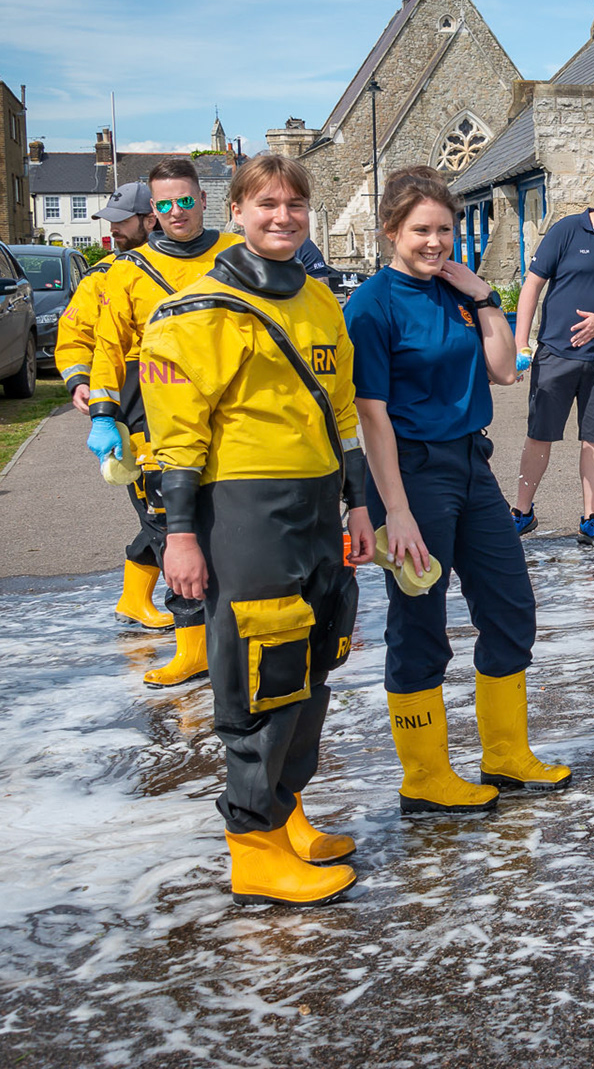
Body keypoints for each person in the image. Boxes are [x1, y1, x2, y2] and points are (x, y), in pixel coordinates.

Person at [140, 153, 370, 907]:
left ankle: (287, 814)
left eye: (295, 204)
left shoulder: (320, 300)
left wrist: (359, 503)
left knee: (313, 663)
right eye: (266, 203)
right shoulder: (193, 311)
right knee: (262, 670)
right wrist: (177, 535)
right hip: (242, 511)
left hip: (315, 509)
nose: (282, 216)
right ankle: (252, 845)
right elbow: (177, 439)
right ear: (235, 210)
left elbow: (342, 415)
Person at [346, 168, 568, 815]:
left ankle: (504, 754)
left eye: (444, 229)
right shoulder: (372, 305)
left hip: (473, 464)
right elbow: (372, 417)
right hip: (411, 474)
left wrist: (483, 295)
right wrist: (399, 513)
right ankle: (425, 775)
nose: (436, 241)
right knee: (419, 624)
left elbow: (503, 368)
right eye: (422, 230)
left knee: (510, 605)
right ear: (392, 230)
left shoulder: (456, 292)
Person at [84, 159, 244, 684]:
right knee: (169, 531)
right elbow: (107, 351)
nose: (177, 212)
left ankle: (244, 638)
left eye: (186, 200)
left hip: (230, 413)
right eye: (165, 204)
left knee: (232, 528)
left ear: (204, 199)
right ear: (153, 212)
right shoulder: (126, 272)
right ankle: (192, 646)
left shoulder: (238, 256)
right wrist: (104, 417)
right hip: (150, 417)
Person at [508, 172, 594, 548]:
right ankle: (522, 512)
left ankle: (591, 519)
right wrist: (521, 344)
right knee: (540, 434)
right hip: (556, 352)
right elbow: (532, 285)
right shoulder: (567, 231)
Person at [57, 182, 173, 628]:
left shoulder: (202, 265)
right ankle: (194, 620)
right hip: (130, 394)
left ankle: (133, 599)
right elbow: (74, 336)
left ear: (152, 218)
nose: (114, 231)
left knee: (185, 502)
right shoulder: (103, 275)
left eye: (122, 222)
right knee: (157, 500)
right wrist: (78, 381)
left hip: (184, 392)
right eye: (110, 223)